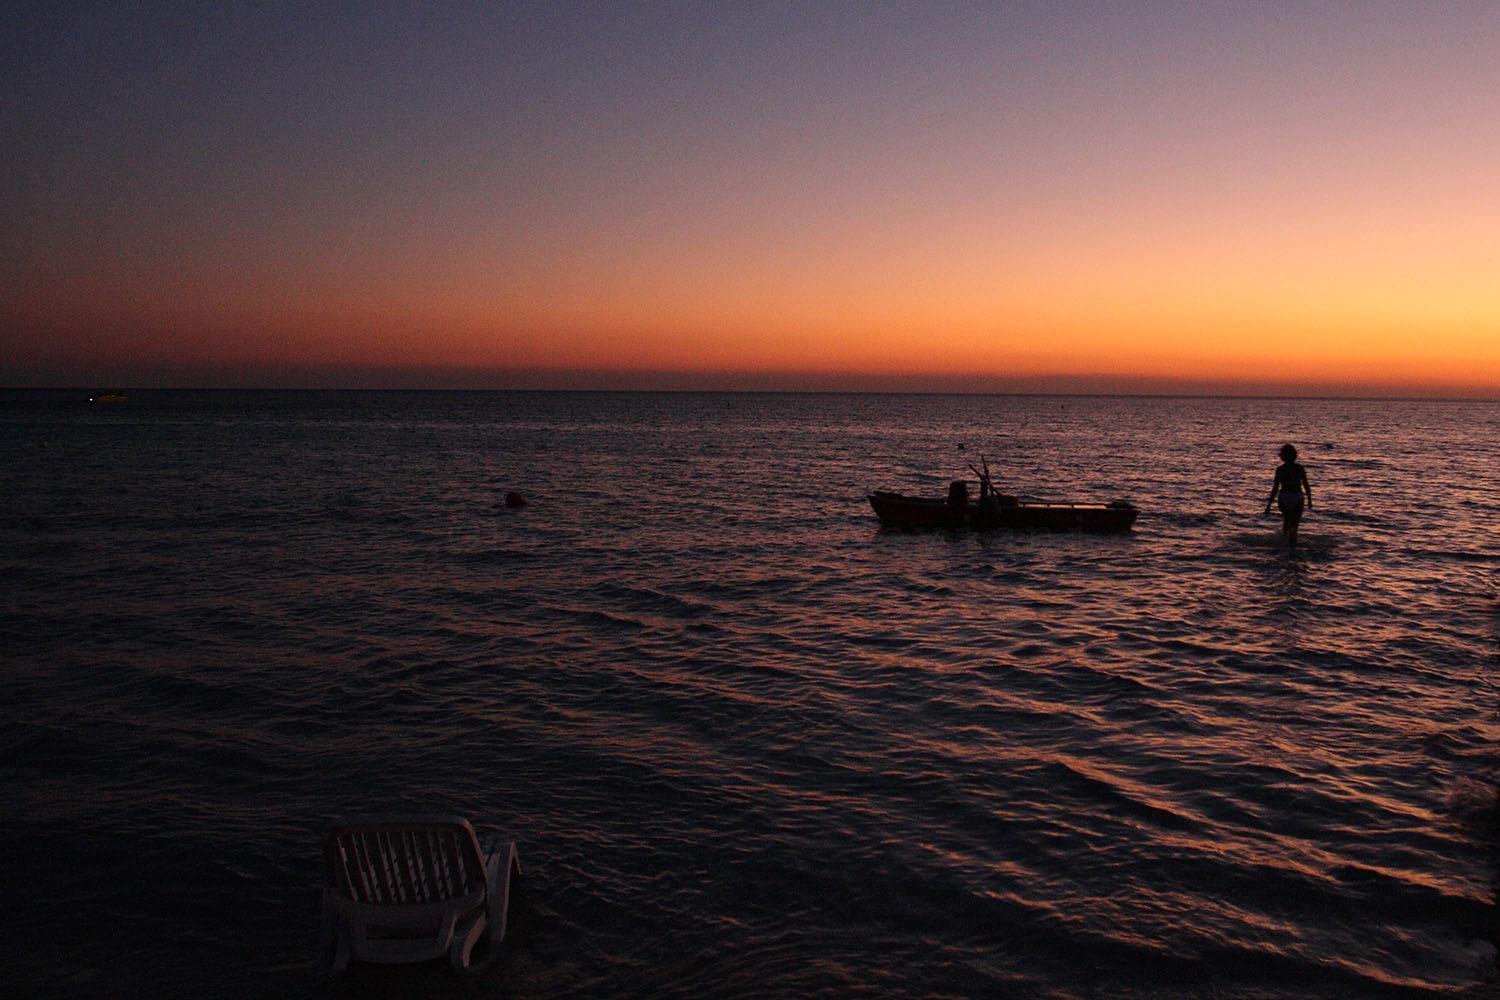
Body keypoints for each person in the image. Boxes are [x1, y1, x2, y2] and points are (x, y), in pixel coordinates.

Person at [1264, 443, 1312, 546]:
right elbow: (1306, 485)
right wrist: (1310, 500)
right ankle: (1292, 548)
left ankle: (1284, 544)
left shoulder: (1280, 469)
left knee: (1286, 521)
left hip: (1284, 497)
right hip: (1297, 497)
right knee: (1295, 526)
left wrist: (1269, 505)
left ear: (1283, 456)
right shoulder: (1300, 468)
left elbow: (1275, 488)